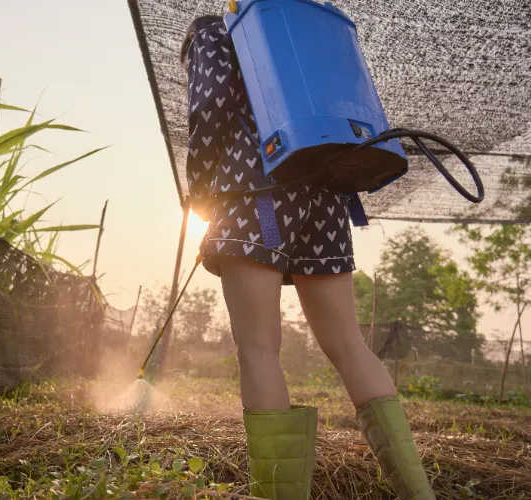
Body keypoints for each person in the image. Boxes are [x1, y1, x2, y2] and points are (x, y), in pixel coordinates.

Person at [180, 14, 435, 500]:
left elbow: (209, 109)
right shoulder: (303, 28)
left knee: (258, 349)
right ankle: (418, 494)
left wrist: (200, 191)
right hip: (325, 200)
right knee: (350, 345)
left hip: (256, 194)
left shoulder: (215, 31)